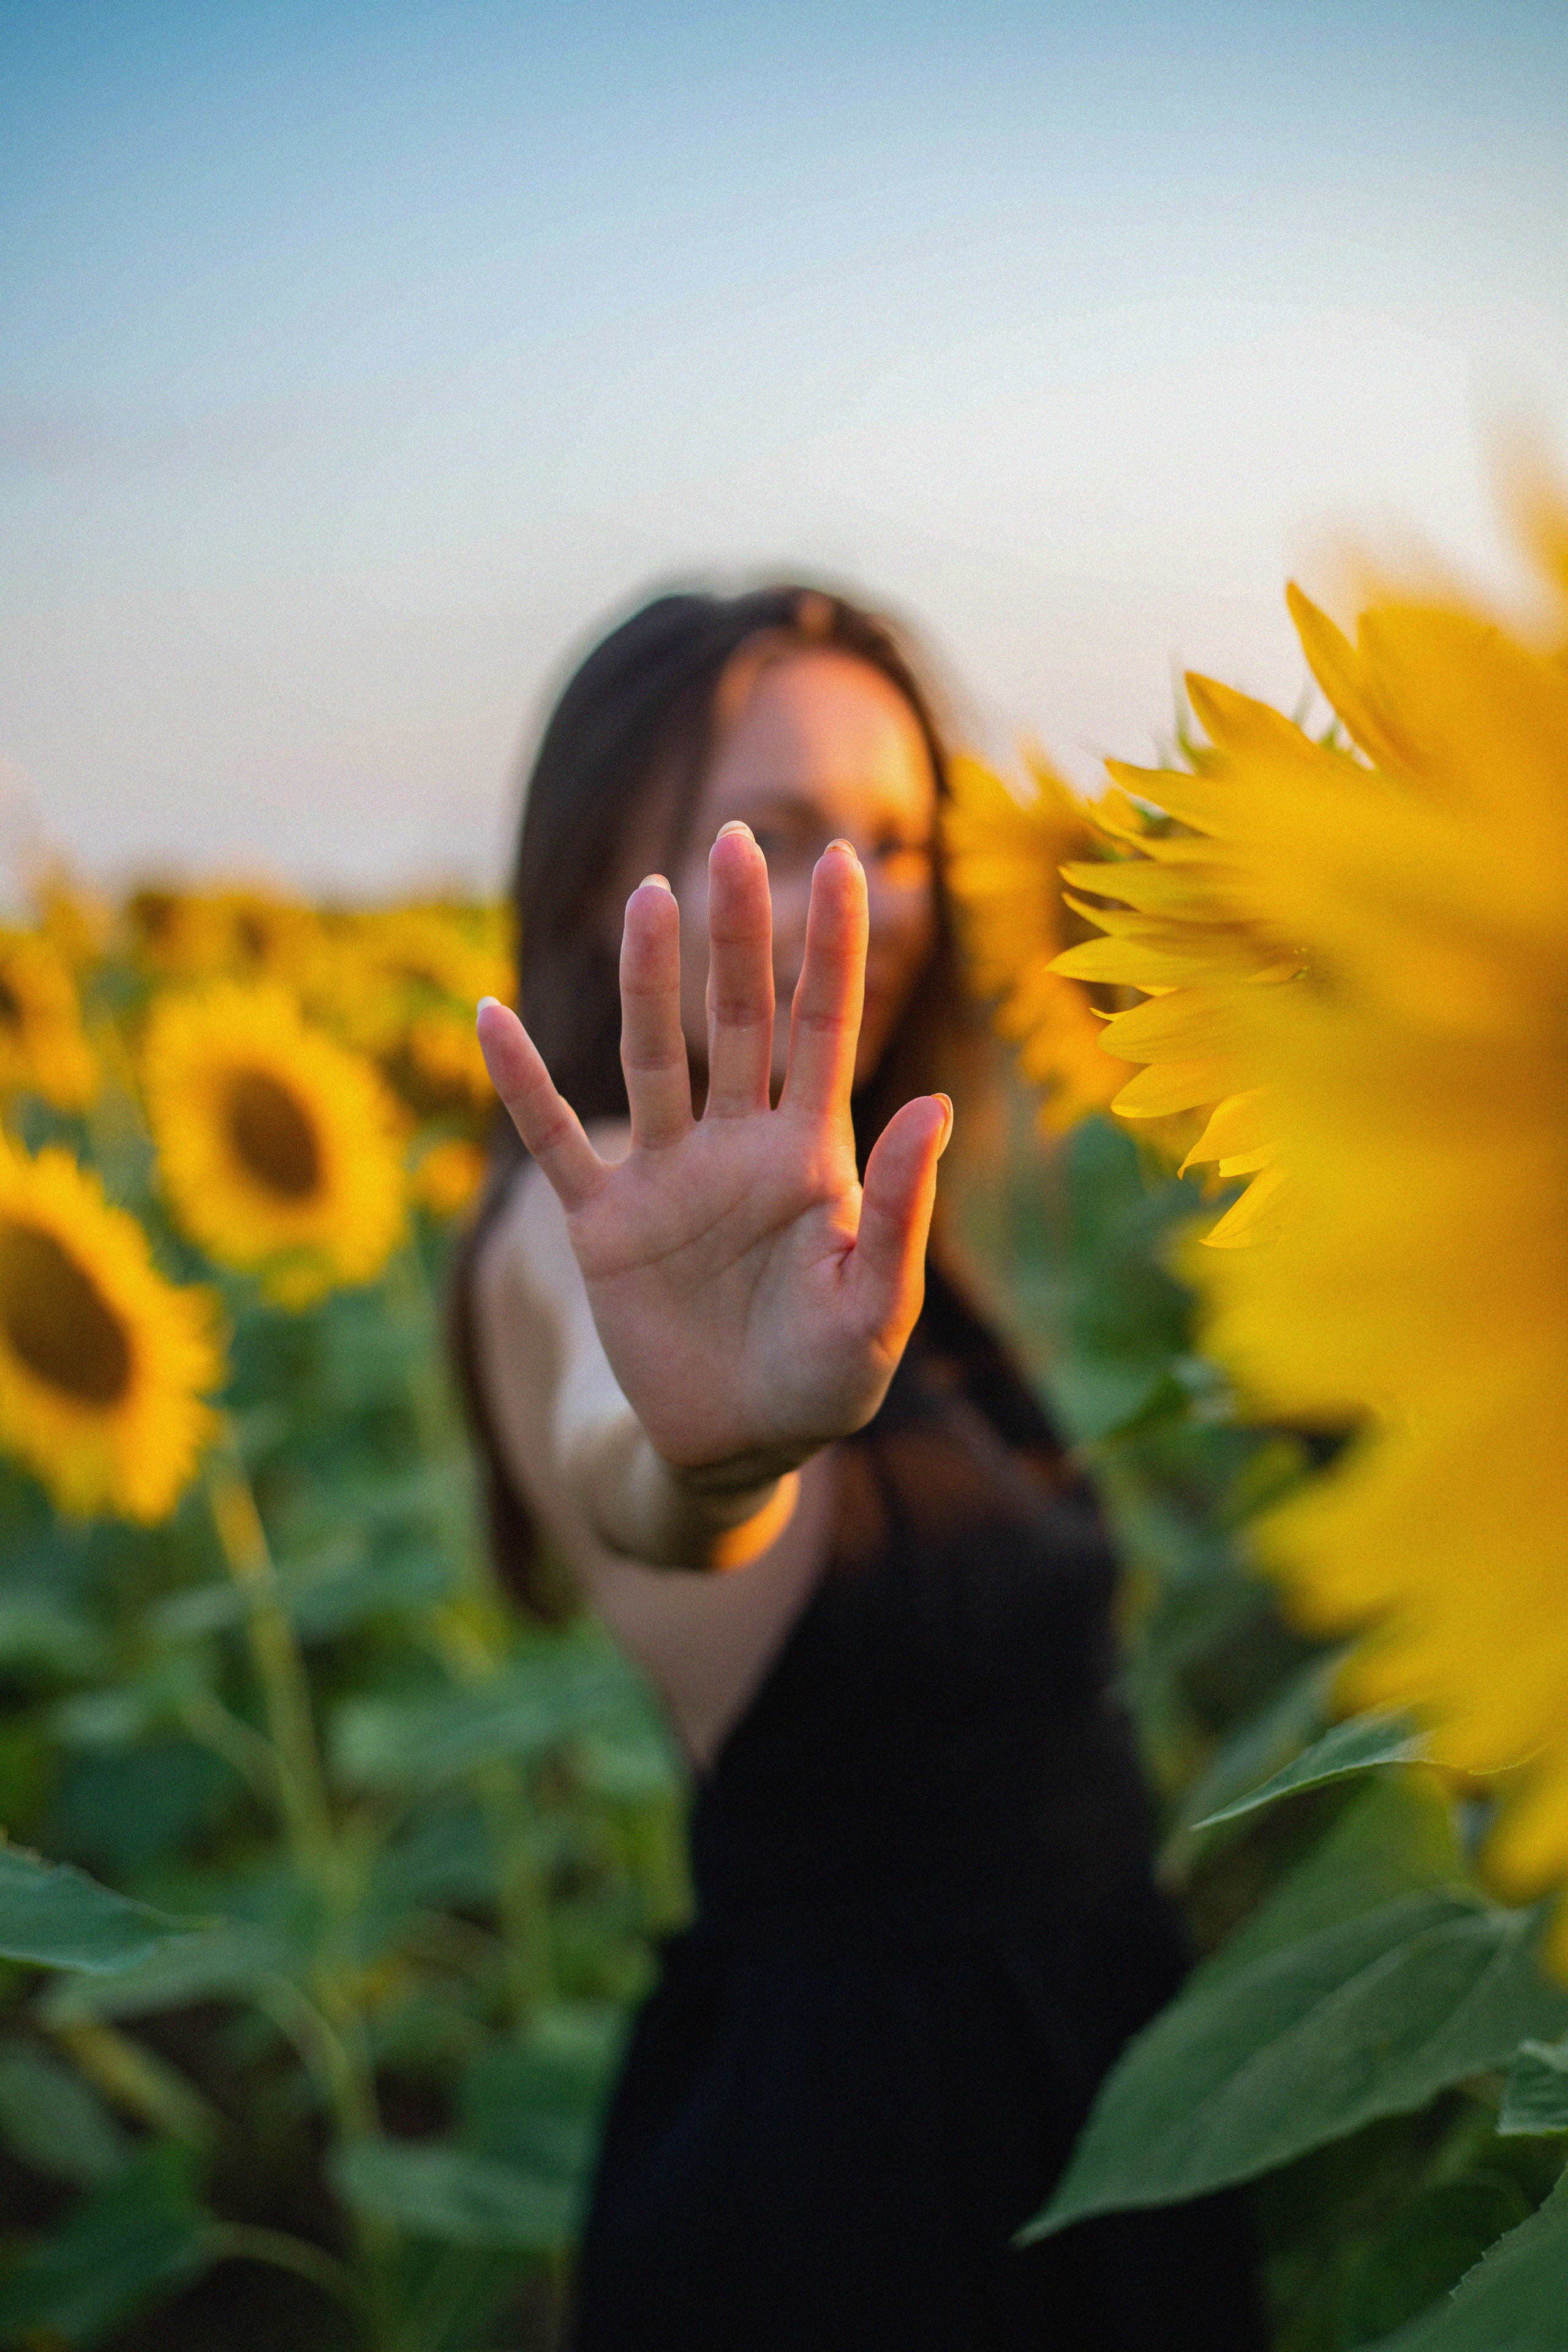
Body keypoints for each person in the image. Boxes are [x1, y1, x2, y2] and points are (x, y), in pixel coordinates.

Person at [454, 585, 1265, 2351]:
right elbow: (645, 1478)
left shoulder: (855, 1230)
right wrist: (713, 1449)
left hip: (1064, 2077)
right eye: (796, 832)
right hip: (884, 2178)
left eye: (901, 841)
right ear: (610, 869)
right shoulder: (582, 1226)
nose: (871, 900)